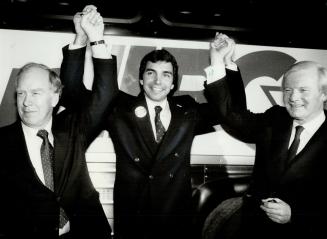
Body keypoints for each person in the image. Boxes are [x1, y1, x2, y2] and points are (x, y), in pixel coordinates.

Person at [60, 21, 245, 238]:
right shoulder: (118, 108)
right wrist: (81, 38)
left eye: (166, 74)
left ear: (173, 82)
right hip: (133, 222)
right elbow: (73, 94)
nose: (158, 81)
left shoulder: (188, 111)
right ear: (140, 78)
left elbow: (233, 111)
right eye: (151, 73)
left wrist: (227, 61)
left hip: (176, 224)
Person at [0, 6, 117, 239]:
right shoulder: (2, 142)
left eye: (35, 93)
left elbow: (105, 95)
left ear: (54, 97)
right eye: (21, 93)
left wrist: (91, 39)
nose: (26, 102)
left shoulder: (73, 128)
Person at [204, 33, 327, 239]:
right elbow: (233, 117)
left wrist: (296, 215)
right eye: (288, 89)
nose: (293, 97)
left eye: (303, 90)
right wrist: (221, 61)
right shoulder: (276, 118)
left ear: (324, 94)